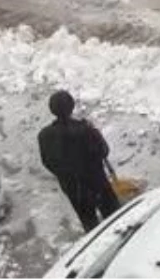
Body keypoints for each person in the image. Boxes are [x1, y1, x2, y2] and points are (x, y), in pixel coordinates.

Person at [37, 90, 120, 232]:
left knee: (89, 223)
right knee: (115, 217)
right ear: (72, 107)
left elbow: (47, 162)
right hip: (97, 183)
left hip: (73, 189)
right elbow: (103, 151)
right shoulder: (86, 130)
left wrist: (64, 175)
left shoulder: (44, 136)